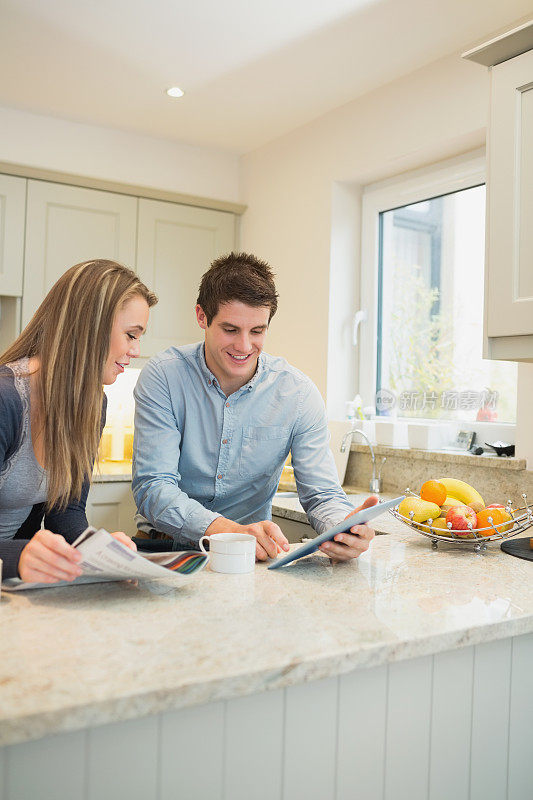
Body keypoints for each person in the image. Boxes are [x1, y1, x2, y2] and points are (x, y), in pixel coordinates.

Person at [133, 252, 376, 562]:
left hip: (249, 556)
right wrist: (226, 529)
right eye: (230, 329)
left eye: (257, 331)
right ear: (201, 316)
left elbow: (323, 495)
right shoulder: (164, 375)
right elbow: (153, 487)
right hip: (166, 548)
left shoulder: (298, 394)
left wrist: (342, 529)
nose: (244, 346)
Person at [0, 259, 157, 583]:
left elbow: (65, 513)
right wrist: (19, 557)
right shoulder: (6, 399)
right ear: (90, 326)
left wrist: (99, 550)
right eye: (130, 335)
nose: (136, 349)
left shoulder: (91, 404)